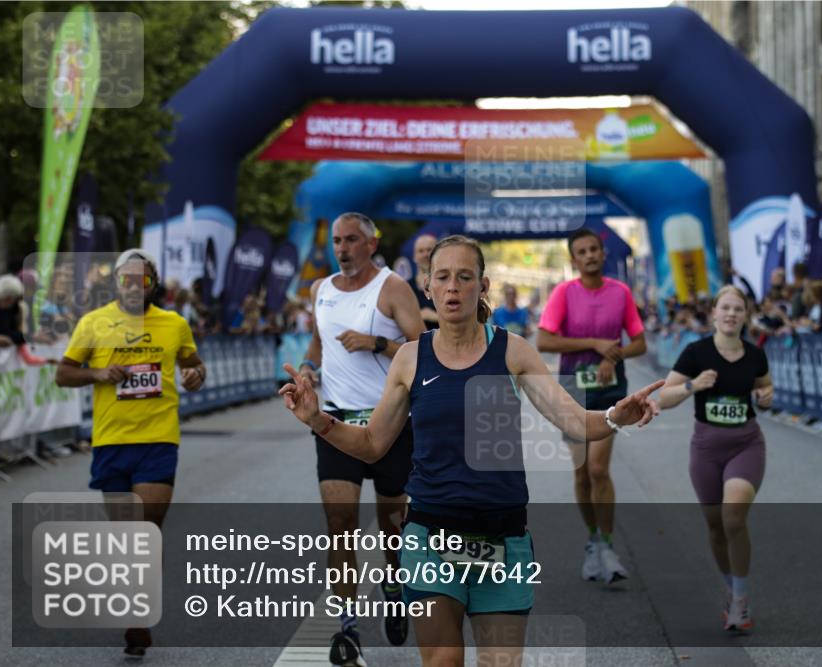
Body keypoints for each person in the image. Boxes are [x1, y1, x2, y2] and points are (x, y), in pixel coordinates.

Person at [280, 234, 665, 667]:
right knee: (443, 661)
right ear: (427, 287)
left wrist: (617, 414)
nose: (453, 287)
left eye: (465, 277)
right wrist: (318, 419)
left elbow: (574, 419)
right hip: (430, 536)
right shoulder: (410, 358)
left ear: (483, 287)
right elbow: (371, 444)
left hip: (502, 537)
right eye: (442, 277)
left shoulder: (512, 351)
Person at [55, 249, 206, 657]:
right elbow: (63, 374)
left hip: (158, 438)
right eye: (126, 279)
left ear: (152, 283)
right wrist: (97, 373)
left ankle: (137, 614)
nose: (133, 286)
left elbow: (195, 367)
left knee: (146, 528)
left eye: (141, 279)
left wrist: (194, 375)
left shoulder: (174, 324)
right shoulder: (94, 322)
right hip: (111, 441)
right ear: (117, 282)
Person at [298, 212, 425, 663]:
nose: (343, 248)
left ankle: (394, 584)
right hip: (334, 423)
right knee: (339, 528)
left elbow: (422, 349)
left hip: (389, 424)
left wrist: (375, 343)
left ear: (371, 243)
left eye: (352, 240)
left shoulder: (392, 288)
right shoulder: (321, 290)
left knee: (394, 529)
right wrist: (310, 369)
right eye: (337, 240)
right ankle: (347, 628)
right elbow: (318, 343)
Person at [657, 285, 772, 632]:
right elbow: (663, 398)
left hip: (746, 445)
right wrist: (693, 386)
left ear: (745, 316)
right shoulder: (696, 353)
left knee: (733, 517)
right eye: (726, 308)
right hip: (706, 448)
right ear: (714, 314)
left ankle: (740, 600)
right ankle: (730, 586)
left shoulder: (755, 355)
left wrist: (765, 398)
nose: (731, 314)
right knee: (715, 526)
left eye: (738, 309)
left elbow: (765, 391)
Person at [535, 228, 646, 584]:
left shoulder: (621, 292)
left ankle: (609, 546)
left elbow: (640, 343)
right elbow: (544, 341)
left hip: (611, 389)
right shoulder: (564, 293)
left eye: (594, 249)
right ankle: (593, 539)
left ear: (602, 252)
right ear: (574, 260)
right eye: (581, 252)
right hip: (573, 392)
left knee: (599, 469)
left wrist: (614, 355)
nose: (589, 256)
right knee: (582, 473)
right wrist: (594, 344)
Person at [411, 233, 440, 330]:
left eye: (429, 250)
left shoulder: (450, 286)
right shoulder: (405, 287)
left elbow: (462, 319)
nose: (425, 254)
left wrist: (434, 317)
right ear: (414, 257)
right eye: (421, 251)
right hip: (414, 343)